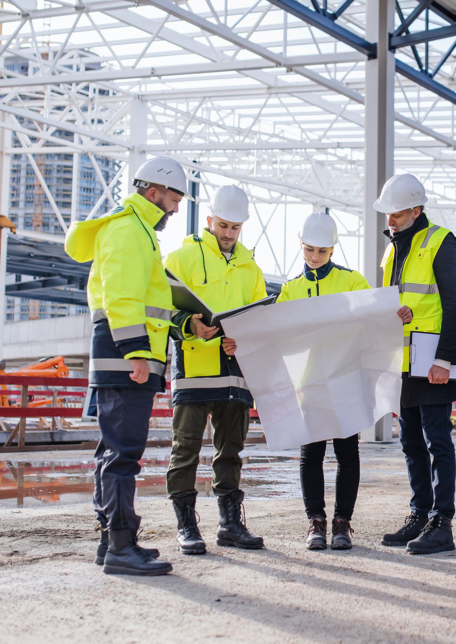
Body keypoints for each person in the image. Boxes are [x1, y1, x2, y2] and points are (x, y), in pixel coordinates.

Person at [64, 157, 190, 576]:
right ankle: (120, 547)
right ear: (153, 191)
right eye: (173, 199)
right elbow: (121, 297)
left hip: (126, 356)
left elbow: (149, 301)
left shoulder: (137, 231)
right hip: (126, 358)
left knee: (112, 452)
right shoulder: (127, 229)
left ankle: (111, 541)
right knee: (122, 455)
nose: (174, 209)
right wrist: (137, 352)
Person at [164, 184, 268, 554]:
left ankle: (231, 524)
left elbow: (259, 320)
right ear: (209, 220)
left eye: (235, 227)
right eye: (223, 225)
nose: (228, 234)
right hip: (194, 369)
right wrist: (188, 324)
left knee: (231, 452)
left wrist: (245, 338)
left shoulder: (251, 269)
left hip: (235, 371)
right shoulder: (182, 258)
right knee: (186, 448)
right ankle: (187, 525)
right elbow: (160, 308)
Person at [373, 174, 456, 555]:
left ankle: (442, 522)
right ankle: (419, 513)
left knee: (437, 442)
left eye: (396, 214)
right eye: (388, 214)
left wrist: (445, 360)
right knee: (411, 444)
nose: (390, 220)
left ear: (416, 209)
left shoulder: (441, 242)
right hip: (403, 360)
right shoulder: (392, 250)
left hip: (431, 361)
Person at [276, 211, 381, 550]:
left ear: (333, 250)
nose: (314, 257)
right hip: (309, 383)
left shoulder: (352, 282)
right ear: (301, 246)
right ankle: (315, 522)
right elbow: (275, 334)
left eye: (321, 251)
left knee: (348, 452)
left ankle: (342, 523)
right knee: (312, 454)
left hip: (346, 380)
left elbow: (374, 320)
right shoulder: (291, 289)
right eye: (309, 250)